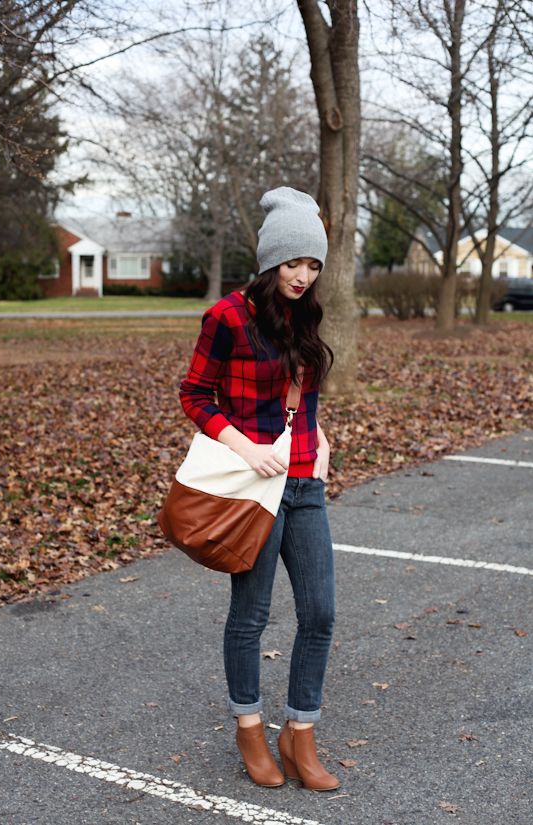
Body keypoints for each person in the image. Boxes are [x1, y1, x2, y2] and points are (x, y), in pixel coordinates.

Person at [179, 186, 340, 792]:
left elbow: (307, 395)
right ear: (272, 260)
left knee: (320, 613)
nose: (304, 276)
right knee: (251, 616)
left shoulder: (305, 314)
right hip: (254, 486)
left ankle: (300, 732)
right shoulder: (227, 317)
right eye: (295, 263)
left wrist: (320, 438)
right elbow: (194, 394)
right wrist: (241, 445)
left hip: (305, 483)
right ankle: (249, 726)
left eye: (314, 265)